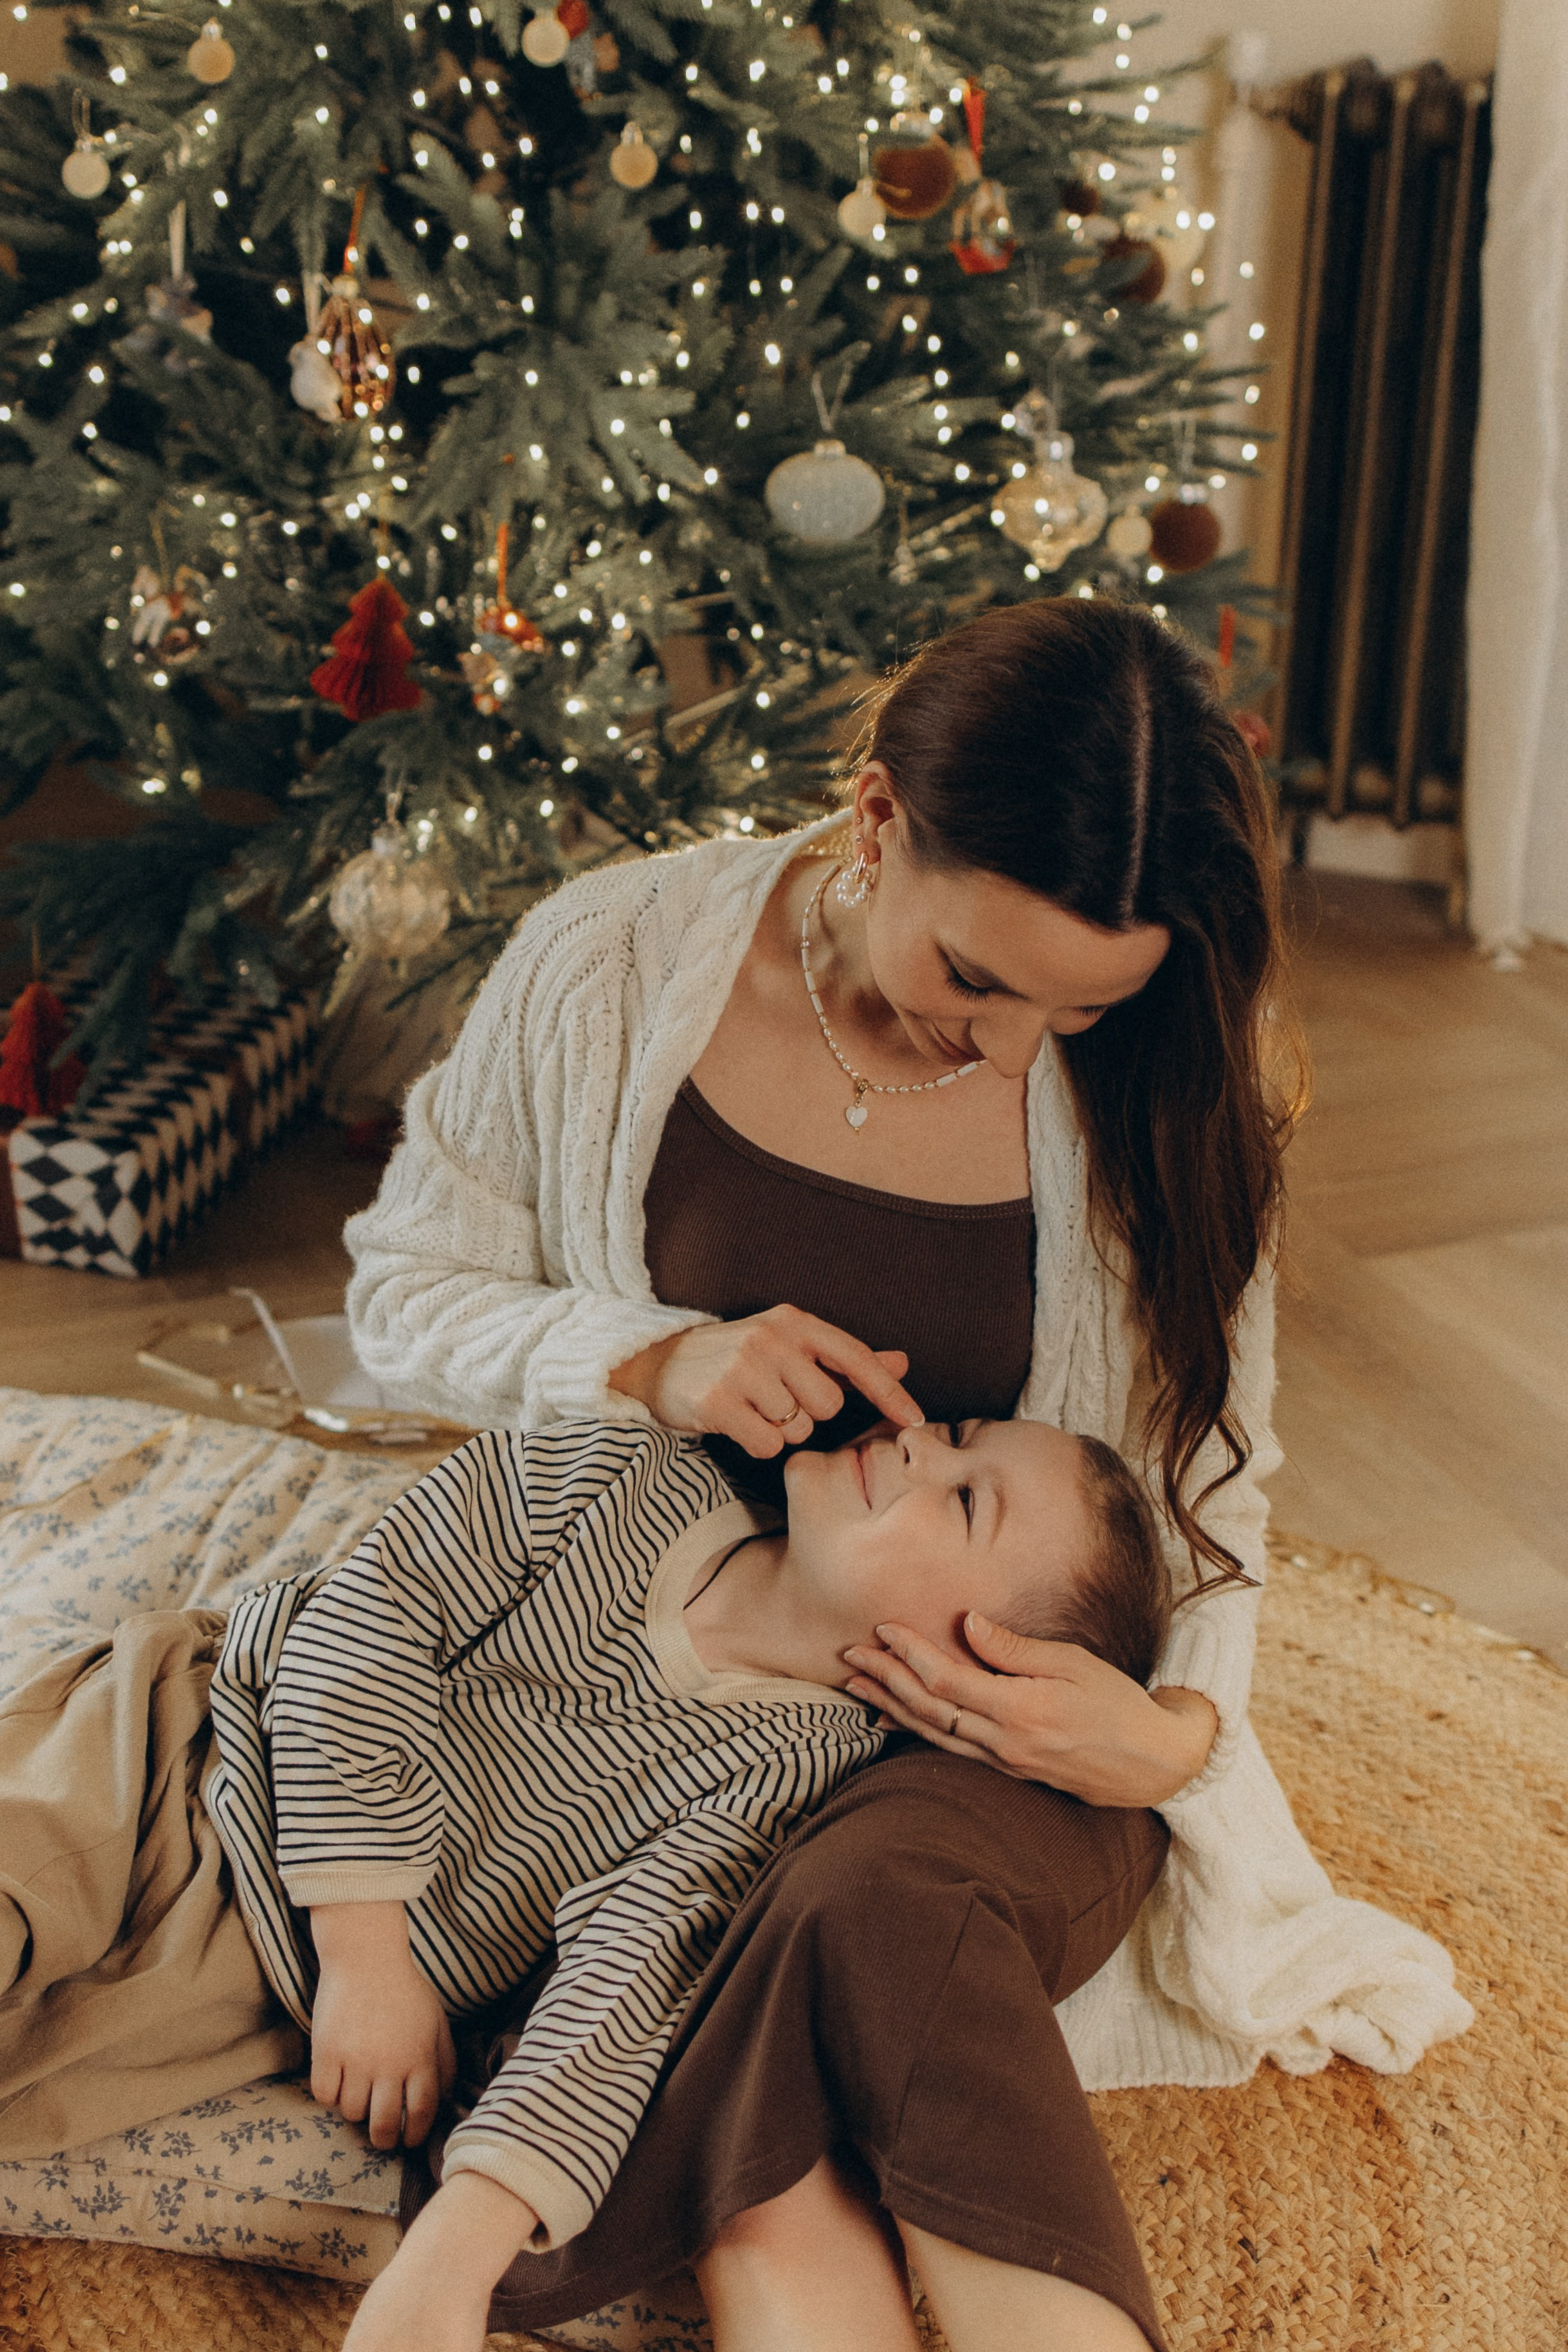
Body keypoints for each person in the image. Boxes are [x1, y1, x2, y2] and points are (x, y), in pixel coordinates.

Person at [345, 597, 1470, 2352]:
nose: (1019, 1049)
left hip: (998, 1739)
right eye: (976, 979)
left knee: (862, 1907)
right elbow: (402, 1294)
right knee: (757, 2079)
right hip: (669, 1683)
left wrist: (1167, 1744)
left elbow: (1206, 1498)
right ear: (874, 822)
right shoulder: (612, 960)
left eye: (1082, 1011)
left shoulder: (1175, 1086)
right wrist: (652, 1354)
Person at [0, 1409, 1170, 2352]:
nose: (921, 1443)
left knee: (36, 2085)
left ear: (976, 1665)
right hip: (186, 1759)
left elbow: (623, 1992)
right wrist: (366, 1946)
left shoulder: (791, 1786)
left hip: (255, 1980)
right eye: (958, 1431)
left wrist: (448, 2270)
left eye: (965, 1495)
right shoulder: (620, 1475)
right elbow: (365, 1626)